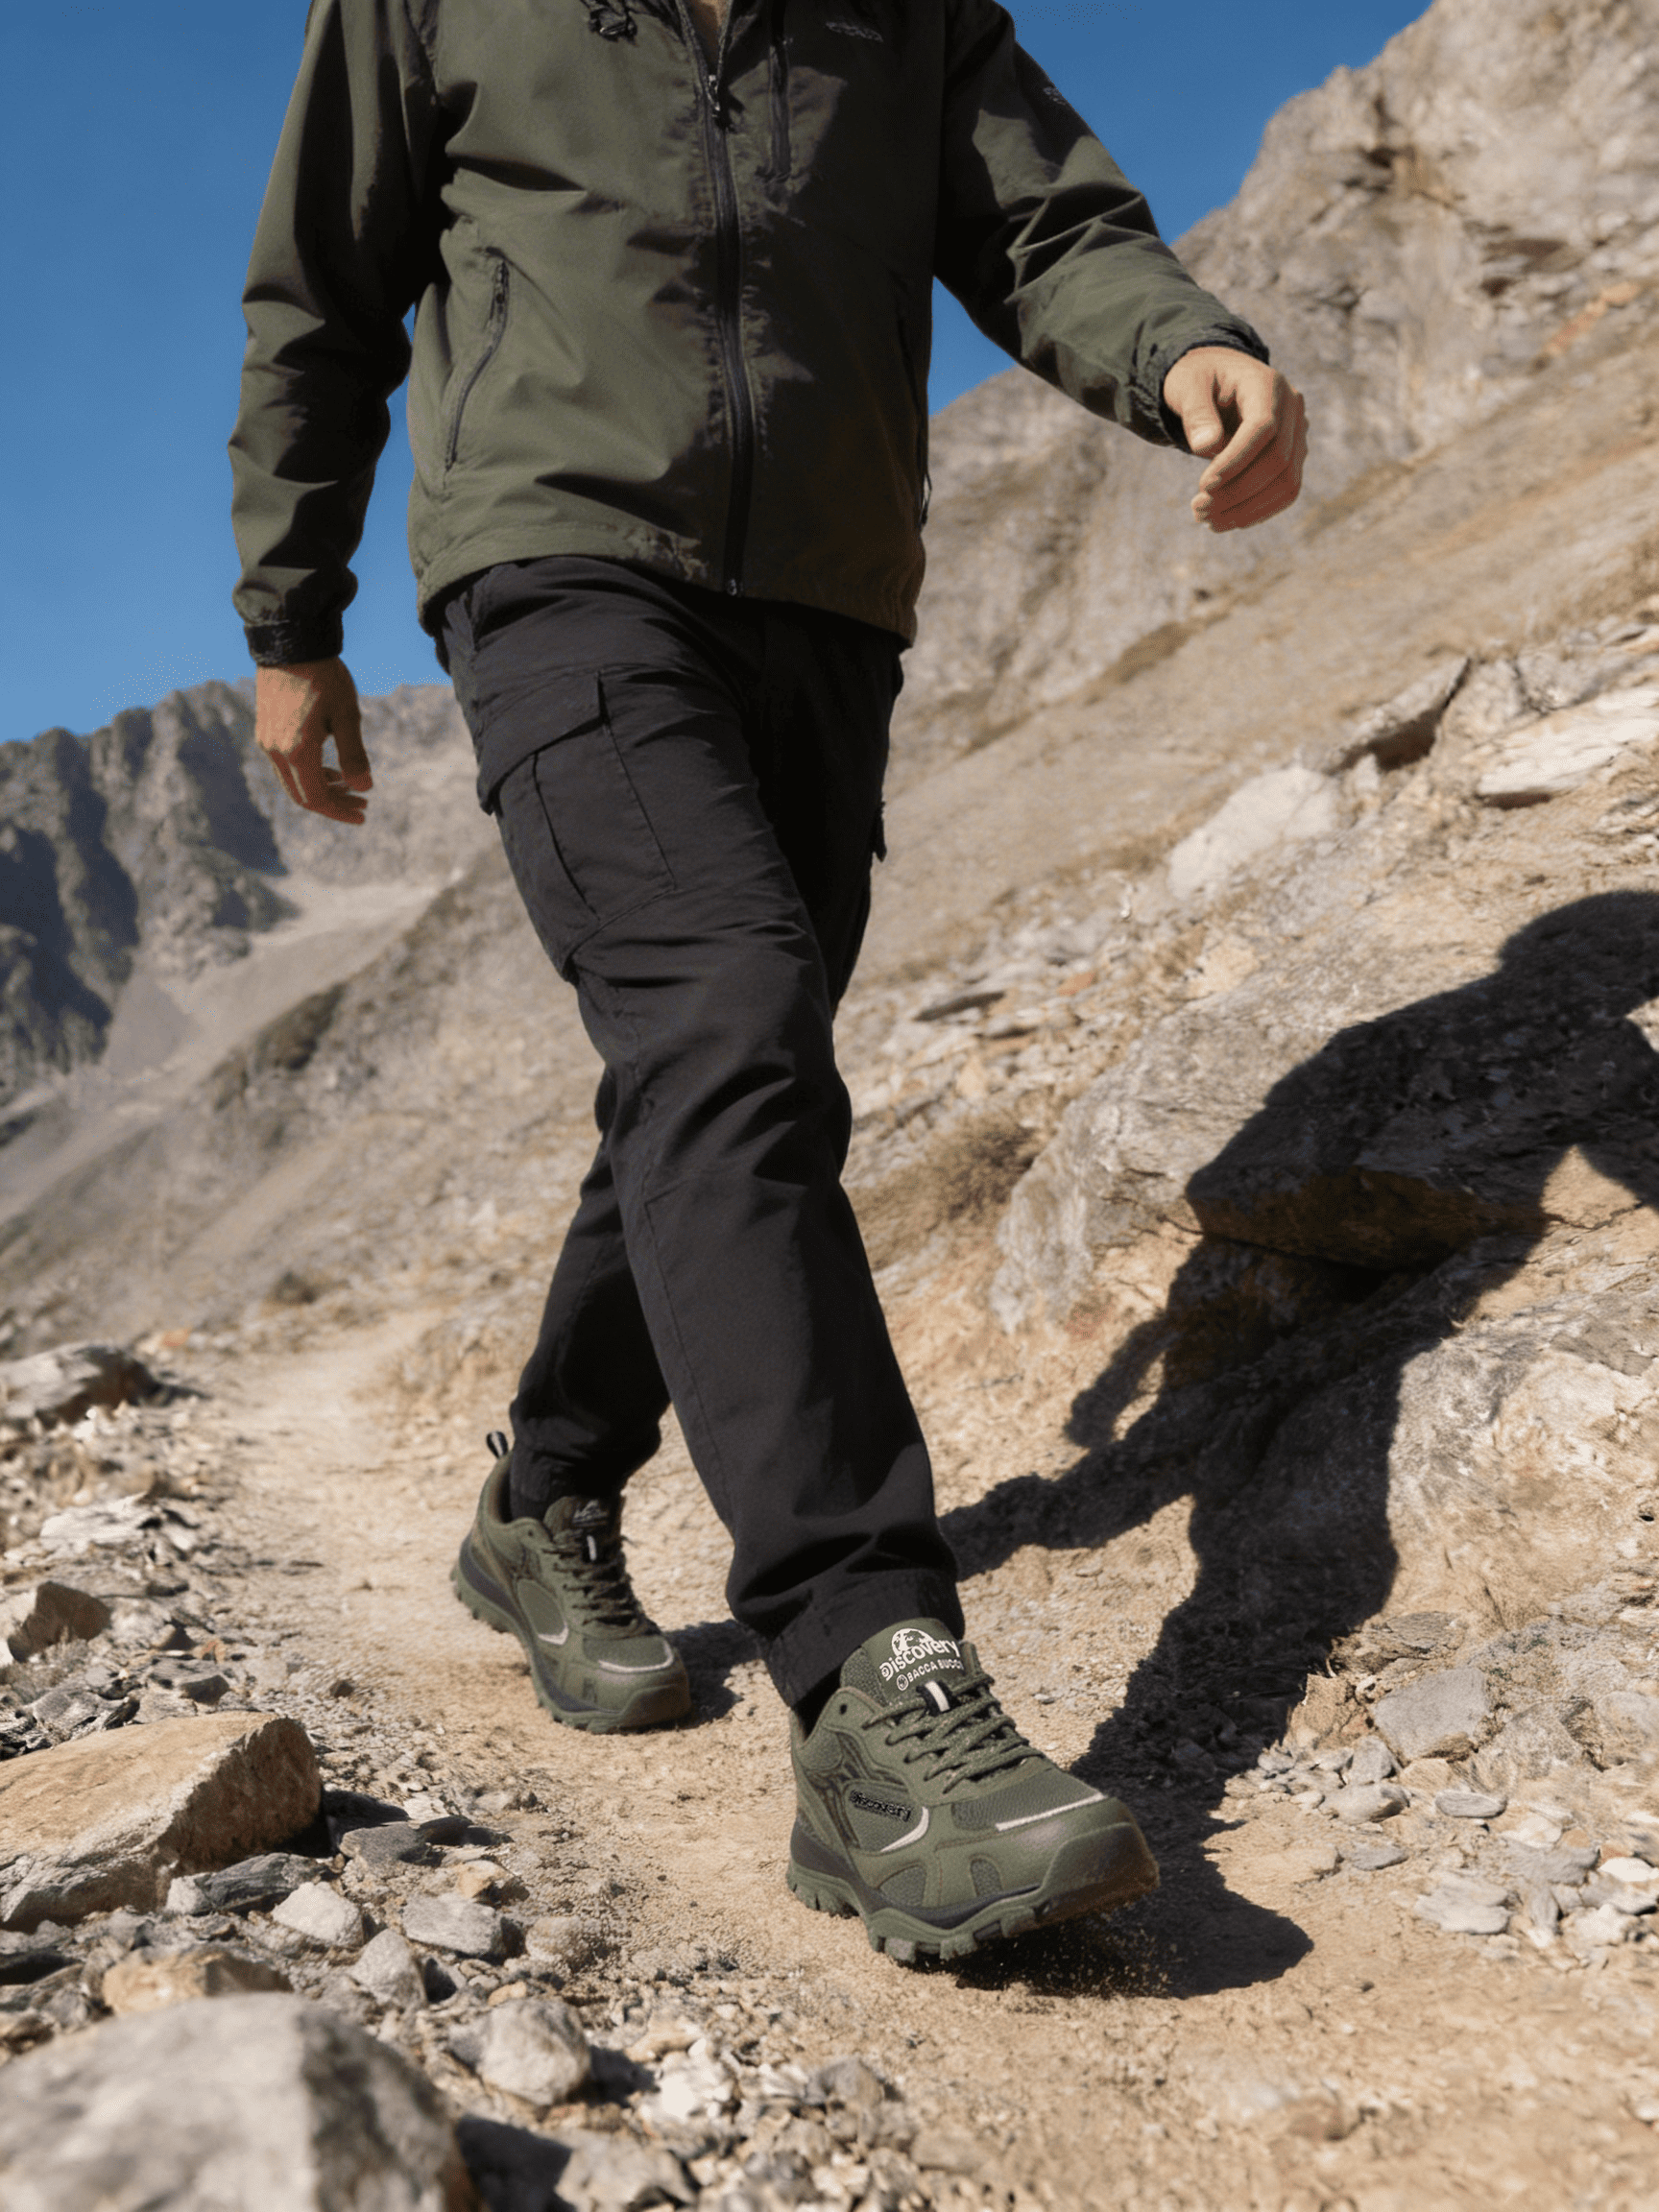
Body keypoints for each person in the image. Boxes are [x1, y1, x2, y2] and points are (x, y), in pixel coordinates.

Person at [230, 0, 1307, 1963]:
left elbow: (1038, 220)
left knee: (721, 1059)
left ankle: (543, 1492)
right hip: (558, 571)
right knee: (726, 1024)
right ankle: (874, 1681)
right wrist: (289, 613)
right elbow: (325, 287)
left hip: (825, 601)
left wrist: (1185, 343)